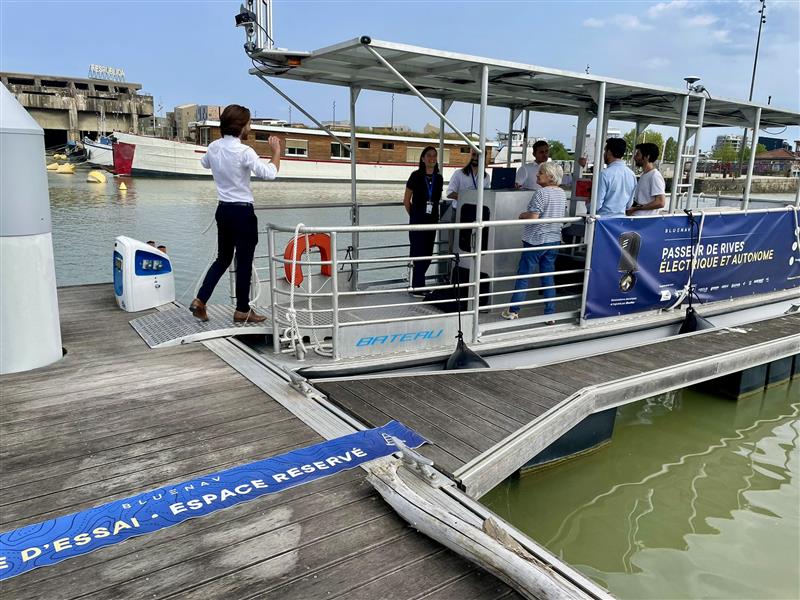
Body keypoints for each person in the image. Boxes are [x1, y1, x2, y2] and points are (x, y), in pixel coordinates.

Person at [189, 104, 281, 323]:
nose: (249, 127)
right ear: (241, 126)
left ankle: (200, 300)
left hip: (223, 210)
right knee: (244, 261)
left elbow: (204, 164)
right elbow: (270, 174)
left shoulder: (213, 147)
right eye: (249, 123)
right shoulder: (244, 151)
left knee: (223, 259)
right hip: (242, 212)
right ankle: (242, 310)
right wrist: (277, 151)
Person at [501, 161, 566, 322]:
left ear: (550, 177)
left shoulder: (541, 193)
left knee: (524, 276)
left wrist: (523, 215)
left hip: (536, 240)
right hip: (554, 240)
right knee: (548, 277)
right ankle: (550, 314)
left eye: (540, 173)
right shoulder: (562, 193)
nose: (537, 175)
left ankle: (514, 310)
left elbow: (534, 217)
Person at [403, 146, 443, 296]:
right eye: (429, 155)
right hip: (418, 222)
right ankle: (417, 287)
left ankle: (419, 285)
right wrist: (414, 217)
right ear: (423, 158)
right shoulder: (415, 176)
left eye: (434, 156)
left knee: (428, 254)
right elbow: (406, 200)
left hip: (432, 222)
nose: (432, 158)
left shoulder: (438, 178)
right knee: (418, 253)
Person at [589, 138, 636, 217]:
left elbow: (596, 205)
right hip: (621, 221)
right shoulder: (632, 175)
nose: (604, 154)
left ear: (609, 152)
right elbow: (629, 205)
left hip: (604, 221)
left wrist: (588, 204)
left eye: (605, 151)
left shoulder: (604, 174)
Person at [627, 142, 666, 216]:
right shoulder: (645, 175)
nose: (634, 157)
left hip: (644, 222)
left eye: (638, 154)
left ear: (647, 157)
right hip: (637, 219)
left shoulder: (654, 176)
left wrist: (636, 208)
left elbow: (661, 202)